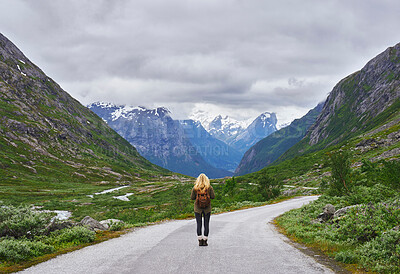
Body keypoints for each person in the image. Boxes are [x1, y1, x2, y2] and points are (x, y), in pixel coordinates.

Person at [191, 173, 215, 246]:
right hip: (207, 208)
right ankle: (205, 241)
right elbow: (213, 197)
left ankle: (200, 241)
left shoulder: (195, 188)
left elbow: (192, 198)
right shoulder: (209, 187)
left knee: (199, 224)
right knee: (206, 224)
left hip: (197, 209)